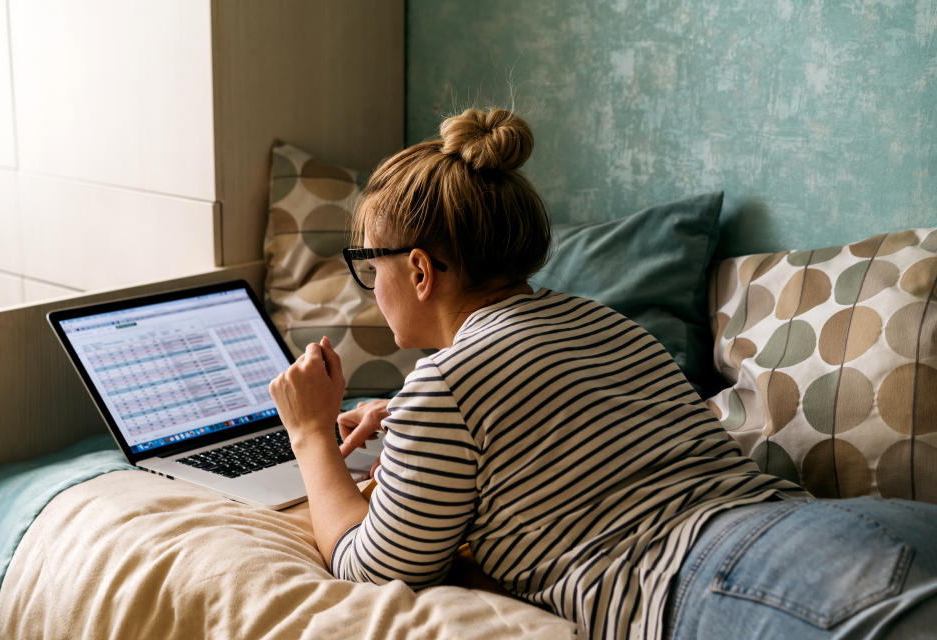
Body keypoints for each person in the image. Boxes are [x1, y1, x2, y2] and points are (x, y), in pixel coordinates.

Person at [269, 108, 937, 640]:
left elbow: (370, 567)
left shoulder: (444, 384)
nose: (368, 286)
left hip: (730, 575)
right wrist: (412, 428)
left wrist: (308, 436)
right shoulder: (602, 322)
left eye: (368, 267)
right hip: (852, 524)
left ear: (417, 271)